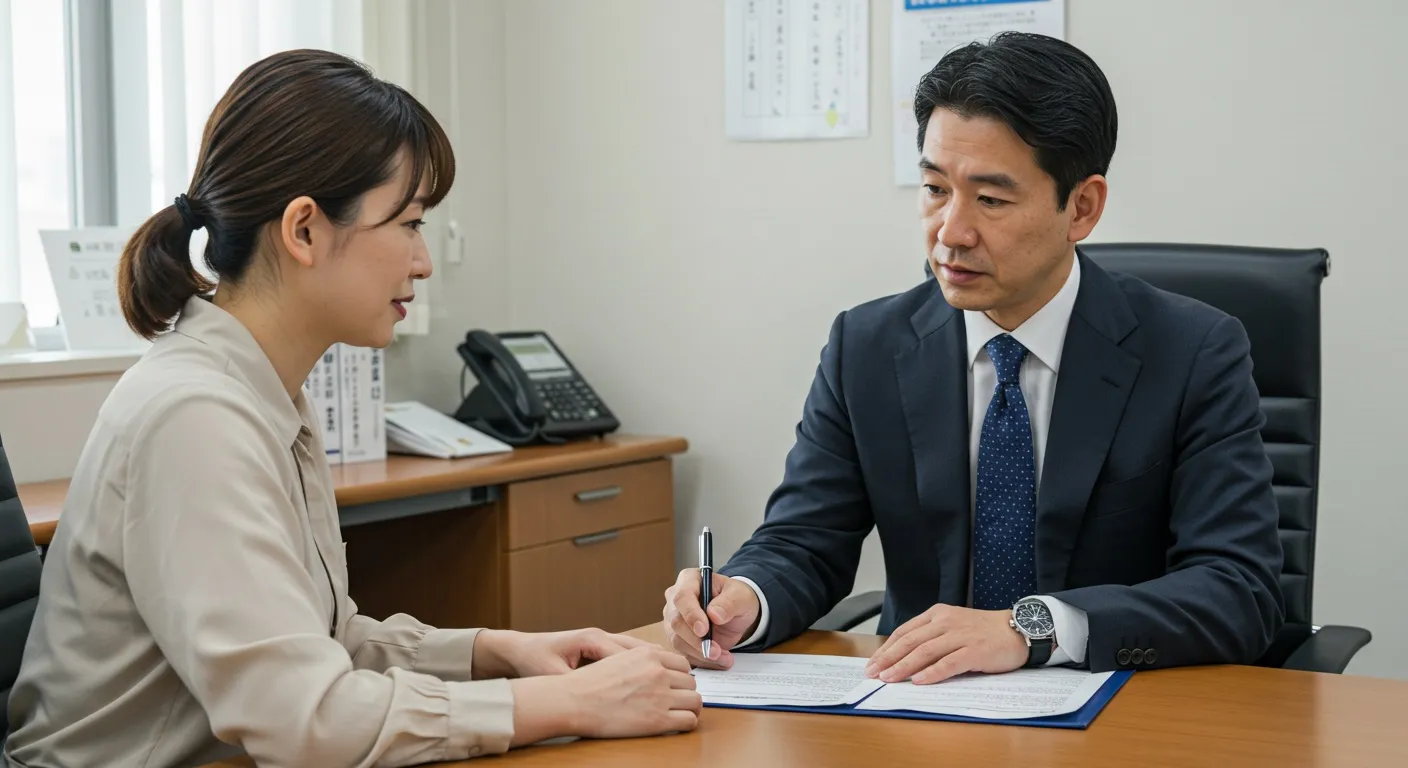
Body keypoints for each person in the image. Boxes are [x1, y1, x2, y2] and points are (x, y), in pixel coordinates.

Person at [4, 49, 699, 768]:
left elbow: (314, 646)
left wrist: (494, 654)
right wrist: (565, 704)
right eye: (408, 223)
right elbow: (304, 719)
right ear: (304, 230)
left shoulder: (260, 391)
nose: (424, 261)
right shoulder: (194, 417)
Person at [662, 31, 1284, 683]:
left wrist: (1032, 627)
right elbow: (804, 541)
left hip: (1116, 711)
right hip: (916, 707)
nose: (950, 233)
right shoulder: (867, 346)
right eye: (934, 189)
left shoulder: (1191, 352)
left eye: (990, 199)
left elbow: (1238, 588)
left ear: (1082, 207)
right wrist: (746, 600)